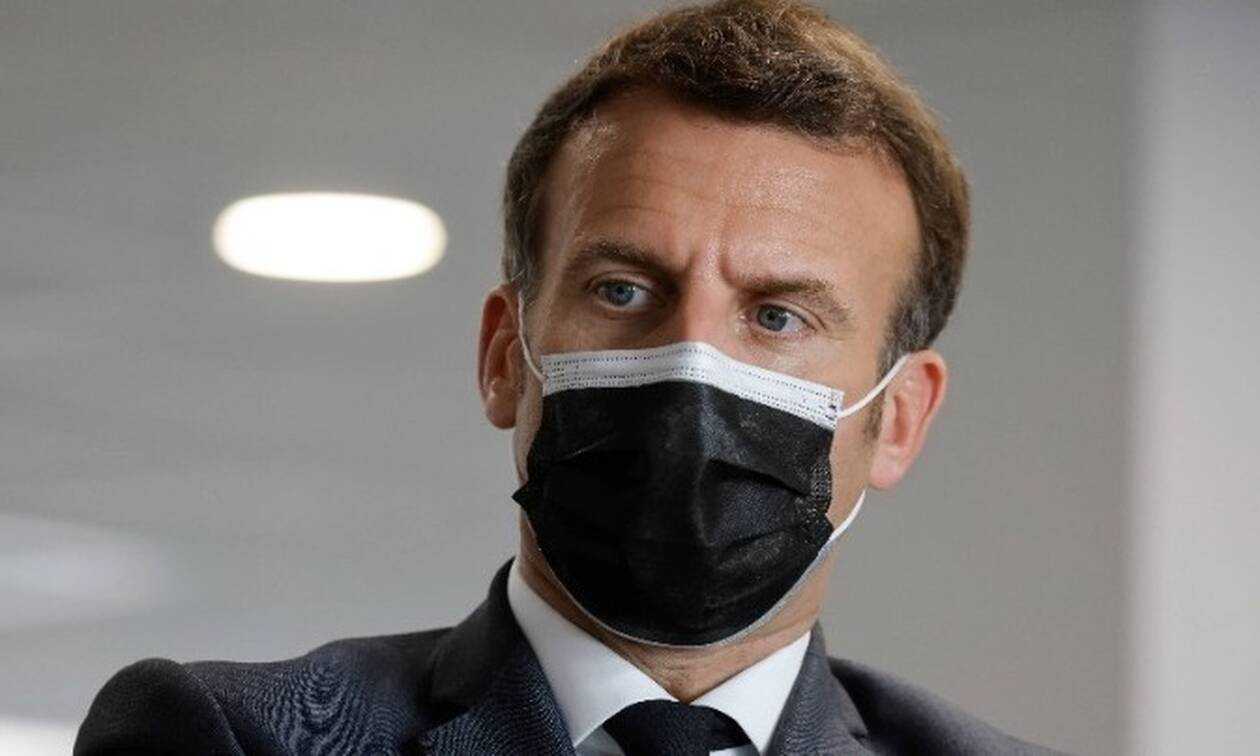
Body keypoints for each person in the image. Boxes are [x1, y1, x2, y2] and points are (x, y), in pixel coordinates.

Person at [75, 1, 1062, 753]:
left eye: (777, 316)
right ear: (506, 357)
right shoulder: (233, 736)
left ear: (900, 419)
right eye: (623, 291)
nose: (693, 364)